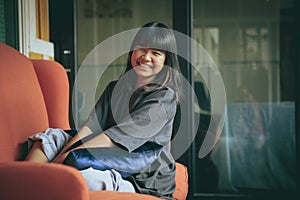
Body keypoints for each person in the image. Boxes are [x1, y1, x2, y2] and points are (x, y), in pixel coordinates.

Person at [25, 21, 182, 199]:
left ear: (166, 60)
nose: (146, 57)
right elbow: (91, 127)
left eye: (156, 53)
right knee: (51, 137)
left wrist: (68, 157)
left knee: (83, 178)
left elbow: (113, 138)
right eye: (141, 49)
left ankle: (42, 184)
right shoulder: (115, 88)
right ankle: (29, 183)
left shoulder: (164, 98)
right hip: (108, 155)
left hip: (140, 179)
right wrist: (61, 156)